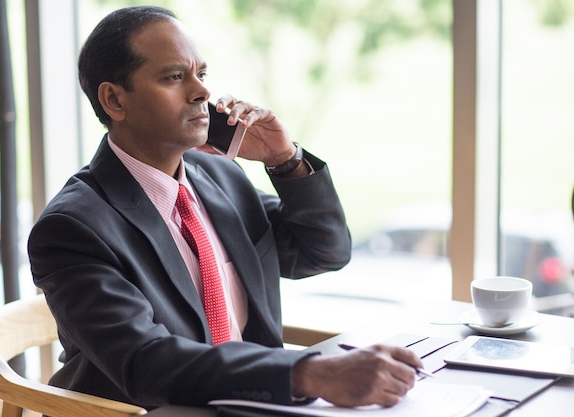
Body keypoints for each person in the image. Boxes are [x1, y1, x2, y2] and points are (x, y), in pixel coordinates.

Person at [27, 5, 423, 411]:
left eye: (201, 74)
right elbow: (147, 363)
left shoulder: (219, 177)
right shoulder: (72, 227)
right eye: (175, 77)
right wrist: (309, 373)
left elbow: (322, 252)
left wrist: (284, 159)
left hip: (256, 403)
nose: (201, 92)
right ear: (114, 99)